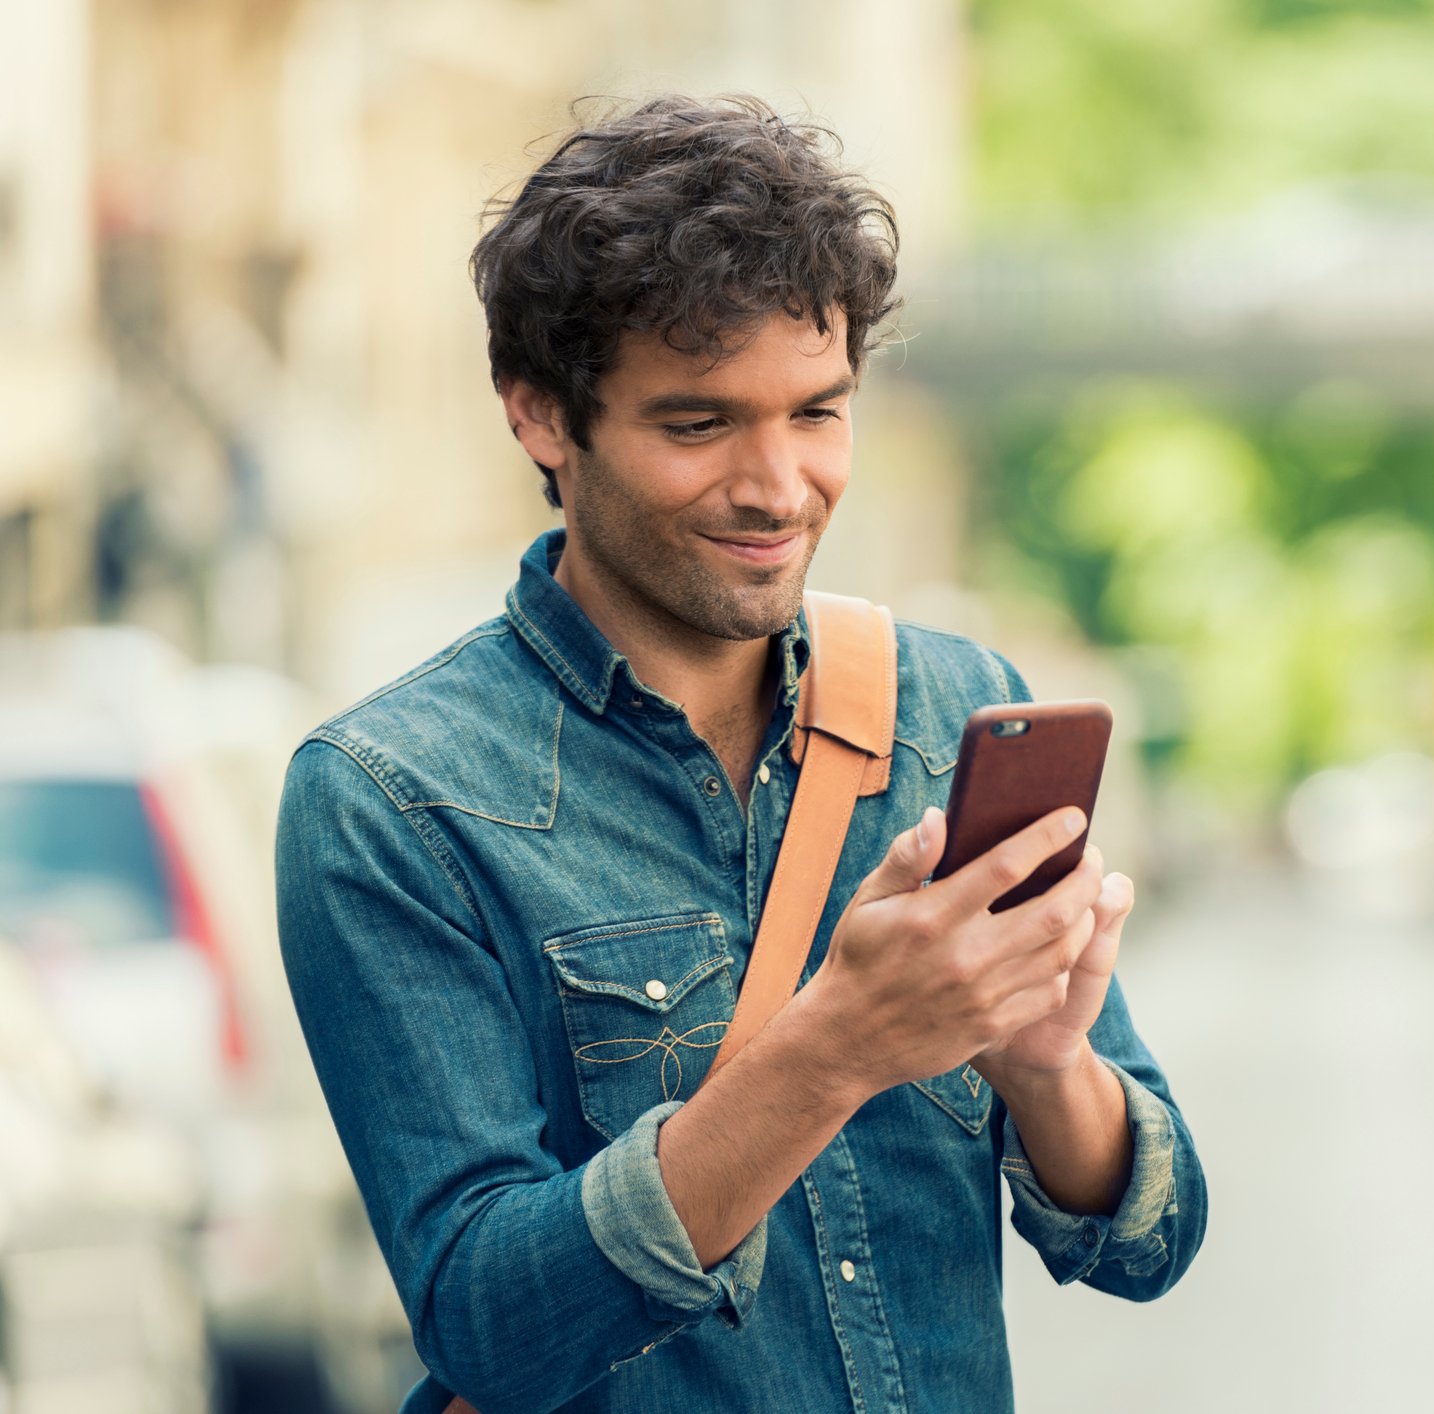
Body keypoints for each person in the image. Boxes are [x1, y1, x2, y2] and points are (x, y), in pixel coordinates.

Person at [272, 94, 1207, 1414]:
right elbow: (489, 1320)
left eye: (817, 413)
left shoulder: (955, 708)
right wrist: (837, 1046)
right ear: (542, 416)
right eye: (698, 424)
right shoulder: (390, 799)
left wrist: (1048, 1067)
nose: (778, 485)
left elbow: (1151, 1241)